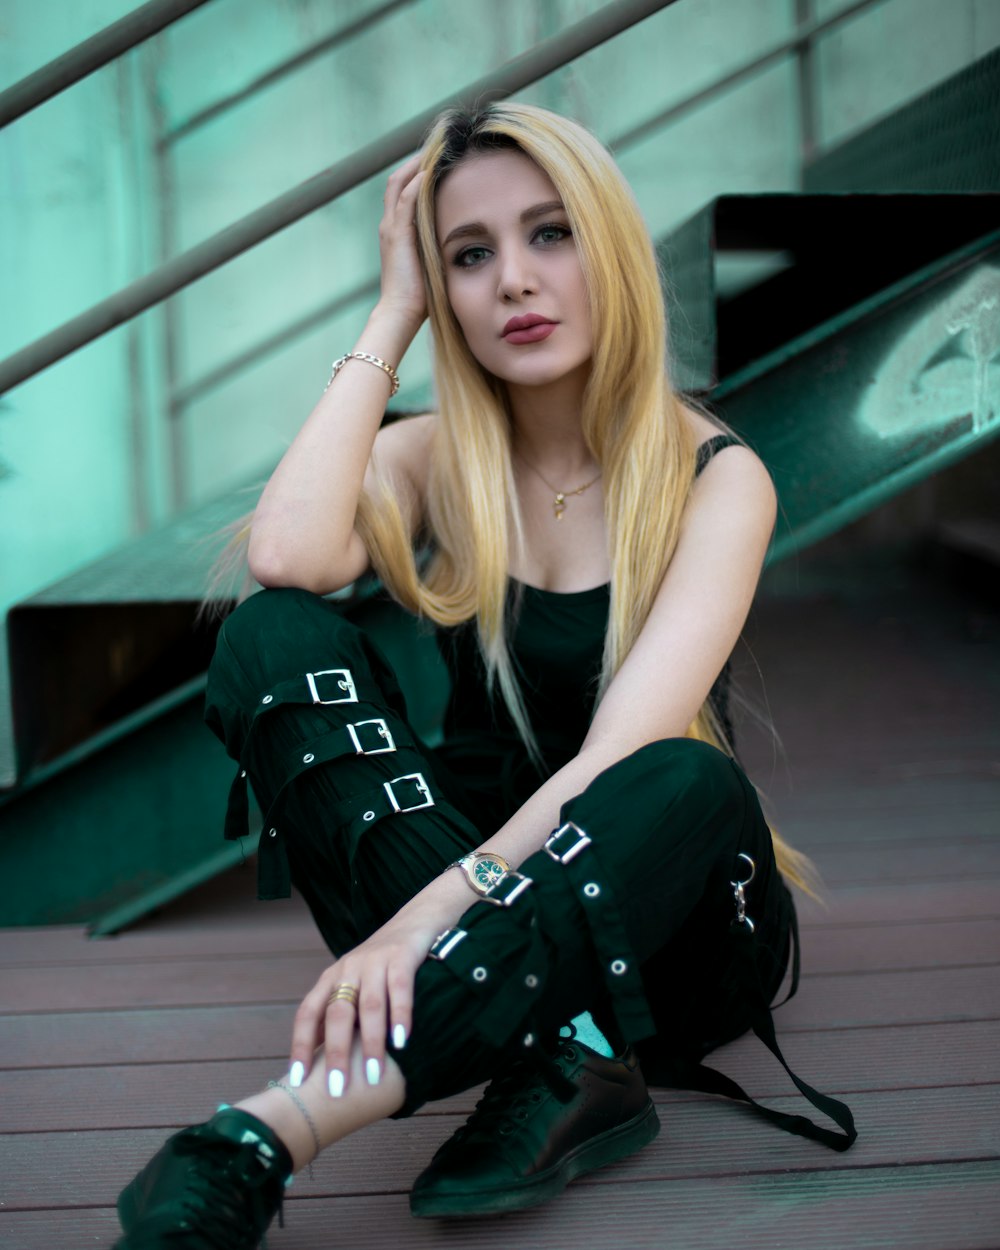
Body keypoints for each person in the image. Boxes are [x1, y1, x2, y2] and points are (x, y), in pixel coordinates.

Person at [113, 102, 855, 1249]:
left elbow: (616, 764)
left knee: (681, 777)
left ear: (608, 249)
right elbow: (286, 555)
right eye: (470, 253)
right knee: (272, 634)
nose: (513, 279)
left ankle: (262, 1136)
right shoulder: (433, 455)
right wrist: (391, 312)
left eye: (550, 234)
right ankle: (570, 1055)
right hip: (470, 871)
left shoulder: (720, 477)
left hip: (670, 923)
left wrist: (409, 927)